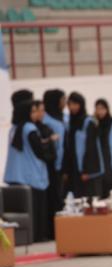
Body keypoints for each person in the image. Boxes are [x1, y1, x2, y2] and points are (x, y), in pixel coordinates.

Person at [3, 99, 51, 242]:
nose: (35, 114)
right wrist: (48, 145)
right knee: (35, 209)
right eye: (32, 111)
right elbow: (39, 151)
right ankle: (37, 236)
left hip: (13, 175)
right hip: (30, 175)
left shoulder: (13, 128)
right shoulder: (29, 128)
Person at [62, 92, 103, 199]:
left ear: (81, 104)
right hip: (73, 170)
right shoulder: (69, 123)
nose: (72, 107)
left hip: (86, 172)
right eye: (70, 104)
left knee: (88, 201)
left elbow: (91, 148)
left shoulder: (88, 123)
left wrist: (87, 171)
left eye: (75, 104)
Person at [31, 100, 59, 240]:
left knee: (51, 200)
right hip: (39, 171)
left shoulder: (45, 127)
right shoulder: (31, 129)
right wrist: (49, 140)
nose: (41, 114)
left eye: (42, 110)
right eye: (38, 110)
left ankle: (51, 232)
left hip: (49, 169)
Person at [43, 89, 67, 220]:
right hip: (50, 164)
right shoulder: (46, 120)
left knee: (61, 196)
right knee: (53, 196)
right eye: (62, 99)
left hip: (61, 164)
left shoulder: (64, 117)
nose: (65, 103)